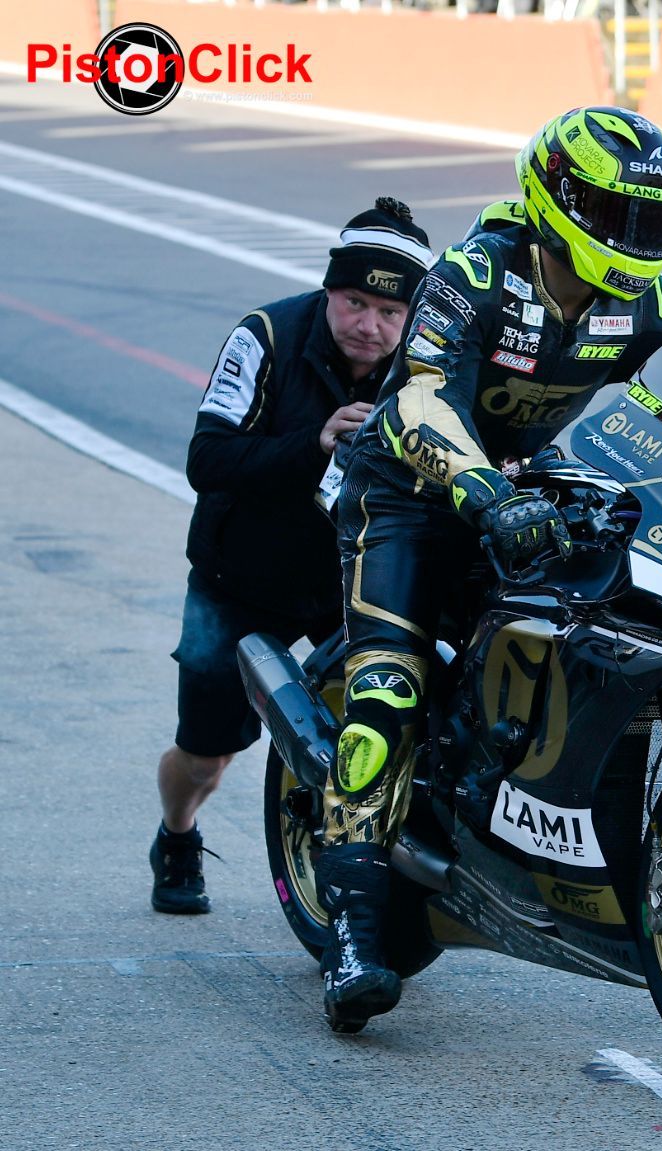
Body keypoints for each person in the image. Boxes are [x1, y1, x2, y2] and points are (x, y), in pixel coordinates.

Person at [315, 107, 662, 1030]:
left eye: (653, 220)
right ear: (558, 201)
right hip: (407, 501)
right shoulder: (474, 274)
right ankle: (354, 938)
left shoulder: (649, 303)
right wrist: (485, 489)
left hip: (531, 501)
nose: (639, 240)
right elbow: (414, 402)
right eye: (618, 215)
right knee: (387, 697)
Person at [151, 197, 432, 915]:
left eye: (390, 313)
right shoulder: (266, 336)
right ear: (329, 291)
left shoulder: (433, 358)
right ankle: (177, 833)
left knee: (385, 731)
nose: (370, 325)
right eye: (354, 302)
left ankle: (357, 878)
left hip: (358, 578)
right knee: (208, 752)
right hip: (241, 576)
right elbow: (206, 459)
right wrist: (312, 445)